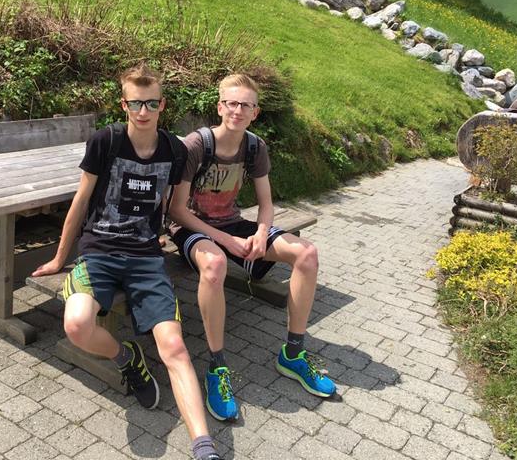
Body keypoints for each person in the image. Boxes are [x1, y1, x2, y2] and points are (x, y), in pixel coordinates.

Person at [32, 65, 224, 460]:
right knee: (76, 325)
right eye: (135, 104)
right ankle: (127, 358)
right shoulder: (105, 141)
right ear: (124, 105)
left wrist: (178, 237)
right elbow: (80, 202)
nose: (143, 111)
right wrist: (58, 258)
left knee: (175, 347)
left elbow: (171, 204)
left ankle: (204, 447)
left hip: (146, 258)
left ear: (162, 104)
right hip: (99, 251)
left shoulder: (174, 150)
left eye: (151, 103)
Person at [168, 73, 336, 422]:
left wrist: (261, 233)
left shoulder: (255, 147)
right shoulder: (196, 145)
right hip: (192, 227)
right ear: (219, 107)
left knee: (306, 254)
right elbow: (177, 210)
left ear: (255, 113)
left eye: (246, 105)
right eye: (232, 103)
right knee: (215, 265)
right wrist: (226, 241)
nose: (238, 110)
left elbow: (266, 202)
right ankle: (217, 367)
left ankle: (293, 353)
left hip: (233, 223)